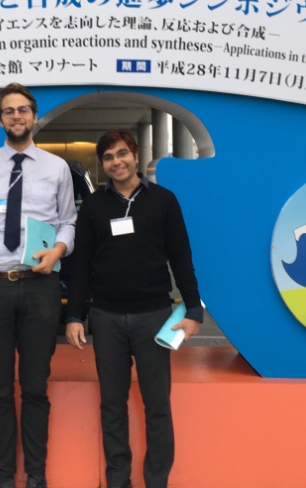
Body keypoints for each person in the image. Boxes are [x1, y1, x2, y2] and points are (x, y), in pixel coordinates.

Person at [65, 130, 203, 488]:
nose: (117, 162)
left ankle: (156, 480)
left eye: (122, 153)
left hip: (153, 316)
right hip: (106, 318)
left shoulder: (164, 200)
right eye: (109, 157)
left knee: (157, 406)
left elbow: (181, 257)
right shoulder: (94, 206)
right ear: (103, 163)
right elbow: (81, 265)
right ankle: (118, 479)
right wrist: (74, 315)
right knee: (112, 405)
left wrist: (193, 309)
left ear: (136, 155)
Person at [0, 83, 78, 488]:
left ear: (34, 116)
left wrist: (58, 250)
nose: (16, 116)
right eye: (9, 111)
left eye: (23, 109)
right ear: (0, 120)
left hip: (40, 286)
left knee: (35, 387)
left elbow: (68, 222)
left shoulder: (56, 168)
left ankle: (37, 474)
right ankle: (4, 474)